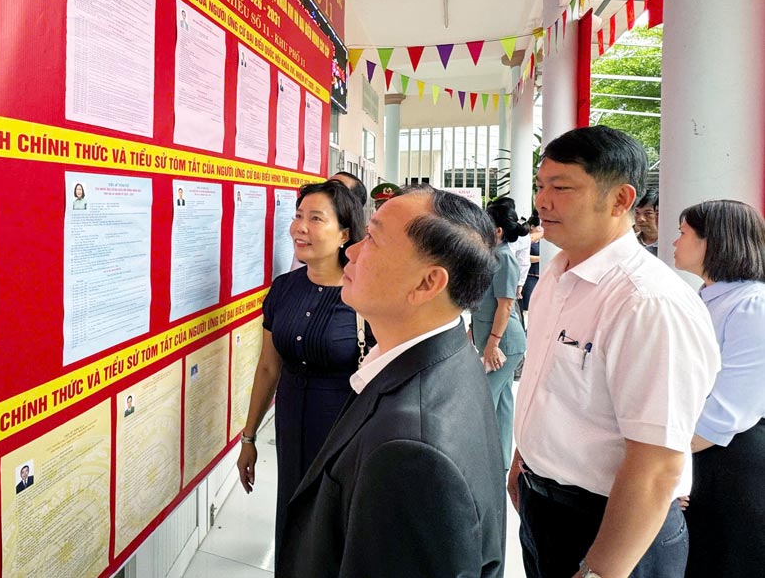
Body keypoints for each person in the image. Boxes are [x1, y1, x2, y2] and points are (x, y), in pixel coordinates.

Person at [508, 126, 720, 578]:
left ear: (621, 200)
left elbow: (657, 464)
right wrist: (522, 463)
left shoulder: (647, 302)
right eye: (539, 186)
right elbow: (546, 388)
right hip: (542, 504)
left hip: (616, 527)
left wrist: (604, 571)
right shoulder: (555, 276)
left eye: (561, 188)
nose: (542, 201)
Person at [277, 185, 505, 577]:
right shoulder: (449, 354)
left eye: (372, 239)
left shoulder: (410, 450)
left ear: (427, 284)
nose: (351, 251)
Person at [237, 180, 368, 560]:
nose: (300, 228)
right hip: (291, 419)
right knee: (292, 510)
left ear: (344, 233)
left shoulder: (363, 293)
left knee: (333, 522)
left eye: (315, 218)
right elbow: (267, 368)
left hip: (343, 427)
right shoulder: (283, 289)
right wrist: (248, 439)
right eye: (298, 216)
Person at [672, 199, 765, 578]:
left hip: (731, 460)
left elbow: (728, 410)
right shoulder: (706, 299)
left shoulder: (752, 306)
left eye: (682, 233)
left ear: (714, 242)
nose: (674, 242)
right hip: (698, 450)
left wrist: (666, 461)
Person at [472, 202, 528, 472]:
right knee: (503, 401)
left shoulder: (505, 258)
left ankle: (481, 463)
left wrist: (493, 342)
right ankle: (500, 461)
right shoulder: (493, 255)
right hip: (495, 339)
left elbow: (506, 305)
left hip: (504, 342)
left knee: (484, 398)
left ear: (496, 231)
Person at [635, 189, 659, 255]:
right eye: (637, 212)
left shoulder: (670, 244)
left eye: (648, 213)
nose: (640, 219)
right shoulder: (630, 242)